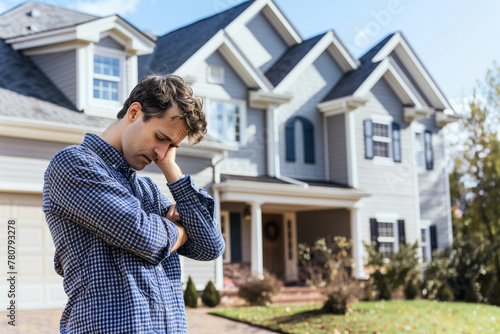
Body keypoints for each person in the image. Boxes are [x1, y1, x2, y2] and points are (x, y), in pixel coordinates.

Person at [43, 74, 225, 333]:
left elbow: (211, 246)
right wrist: (182, 232)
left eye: (172, 146)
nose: (162, 152)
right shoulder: (74, 164)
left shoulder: (147, 190)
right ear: (134, 112)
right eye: (160, 137)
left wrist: (171, 170)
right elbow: (143, 235)